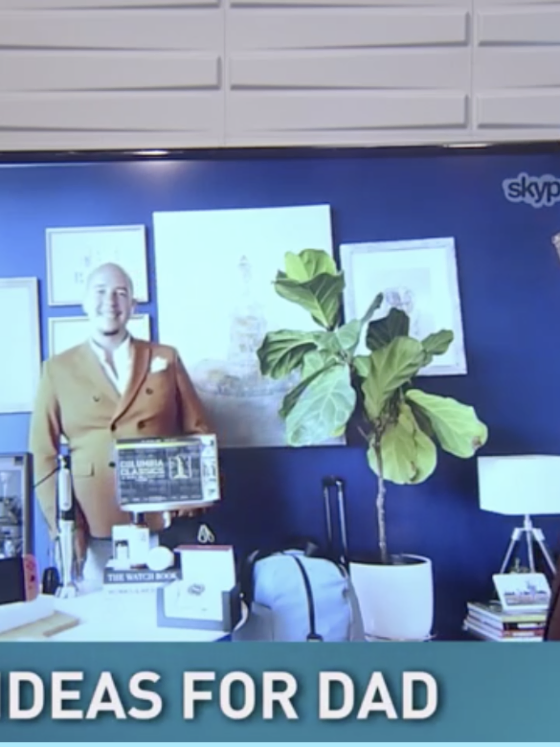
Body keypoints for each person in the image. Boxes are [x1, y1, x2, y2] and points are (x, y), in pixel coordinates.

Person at [29, 262, 211, 587]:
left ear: (133, 305)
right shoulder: (57, 369)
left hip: (162, 517)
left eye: (121, 293)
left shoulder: (165, 358)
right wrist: (64, 525)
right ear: (85, 302)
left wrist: (192, 495)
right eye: (100, 292)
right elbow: (43, 454)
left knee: (163, 607)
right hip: (92, 521)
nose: (110, 302)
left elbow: (198, 431)